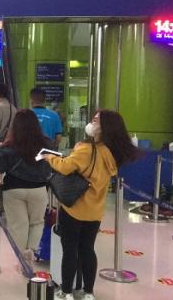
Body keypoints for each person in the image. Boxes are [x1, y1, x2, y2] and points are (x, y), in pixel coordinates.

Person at [45, 110, 139, 300]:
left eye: (95, 120)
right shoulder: (111, 152)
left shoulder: (87, 150)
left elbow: (65, 166)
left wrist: (49, 158)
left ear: (104, 127)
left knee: (69, 250)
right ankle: (88, 292)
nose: (91, 122)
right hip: (95, 211)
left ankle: (66, 292)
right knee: (88, 249)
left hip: (74, 208)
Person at [0, 109, 51, 274]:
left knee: (19, 225)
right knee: (37, 222)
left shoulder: (8, 146)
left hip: (14, 189)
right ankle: (31, 251)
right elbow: (52, 165)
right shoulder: (46, 143)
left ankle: (23, 261)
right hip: (39, 189)